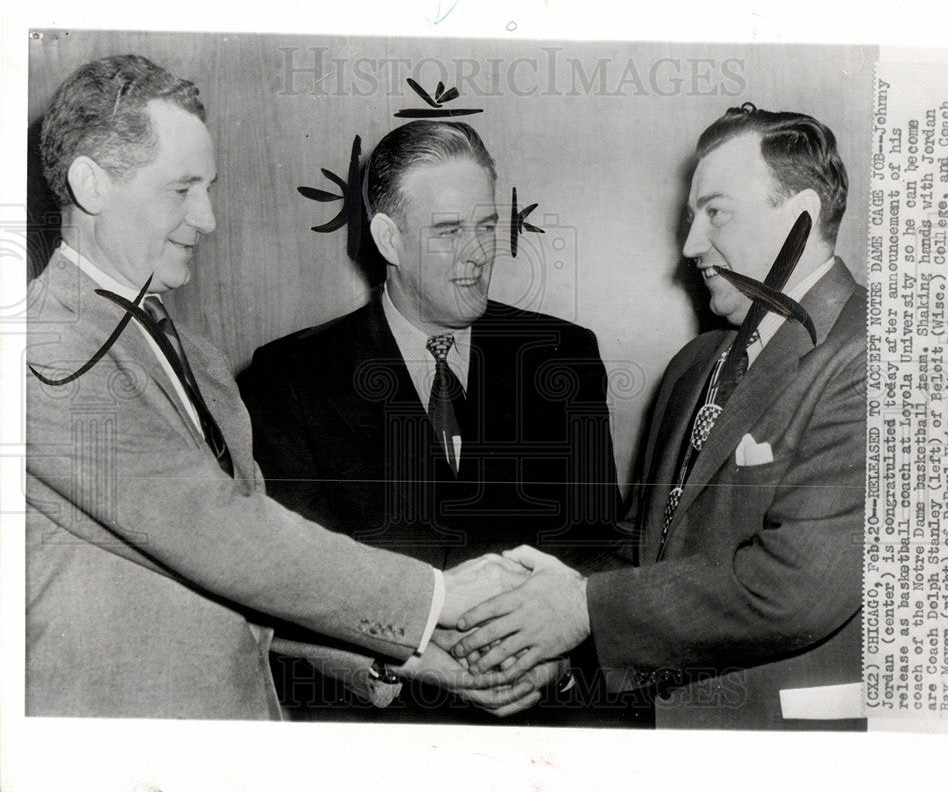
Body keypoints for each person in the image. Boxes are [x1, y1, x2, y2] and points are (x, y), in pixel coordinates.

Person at [25, 54, 529, 720]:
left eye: (208, 188)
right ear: (92, 185)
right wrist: (439, 598)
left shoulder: (191, 355)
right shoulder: (41, 350)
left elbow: (239, 594)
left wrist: (394, 657)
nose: (206, 218)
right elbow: (223, 534)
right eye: (181, 189)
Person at [452, 104, 867, 731]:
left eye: (716, 212)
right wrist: (536, 609)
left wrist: (584, 610)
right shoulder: (697, 363)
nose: (691, 245)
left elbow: (796, 588)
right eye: (691, 215)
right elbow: (649, 544)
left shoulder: (879, 357)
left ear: (801, 218)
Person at [237, 120, 631, 725]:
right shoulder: (288, 377)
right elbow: (290, 586)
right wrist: (419, 661)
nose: (479, 253)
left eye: (487, 226)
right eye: (450, 231)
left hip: (542, 726)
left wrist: (556, 656)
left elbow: (599, 544)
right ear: (389, 240)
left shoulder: (563, 356)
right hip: (381, 735)